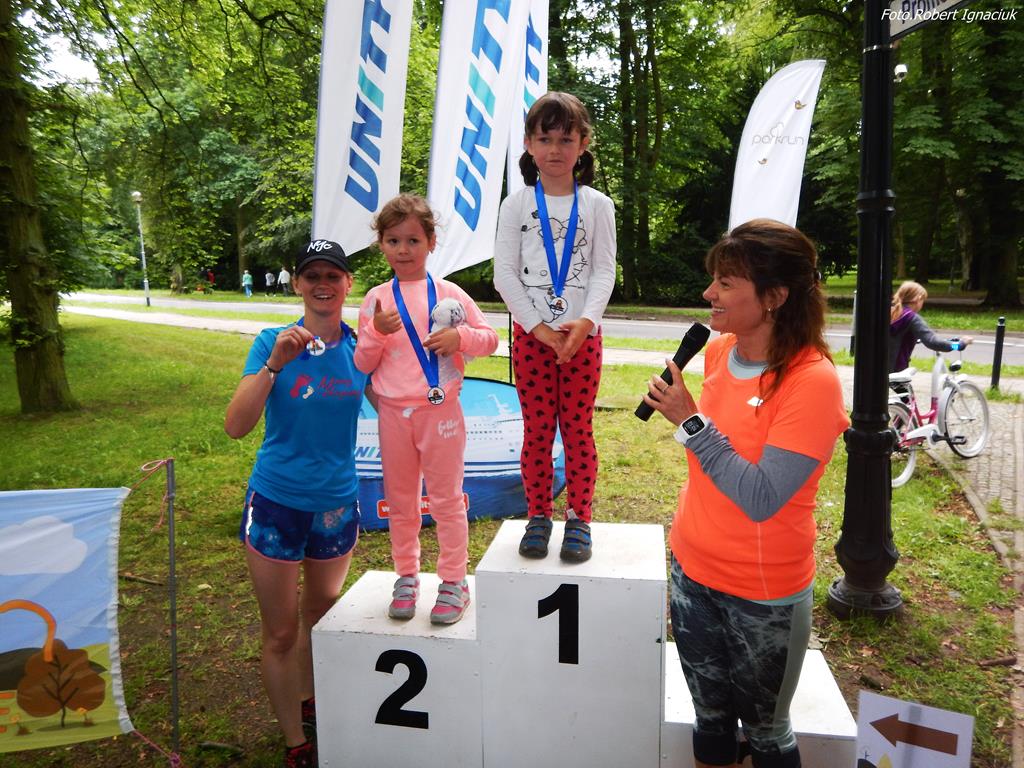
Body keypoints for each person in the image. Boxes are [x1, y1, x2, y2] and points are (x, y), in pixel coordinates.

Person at [642, 220, 849, 768]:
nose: (709, 292)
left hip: (763, 594)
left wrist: (690, 423)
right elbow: (714, 467)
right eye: (714, 279)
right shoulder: (717, 353)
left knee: (766, 733)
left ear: (774, 296)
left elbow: (760, 497)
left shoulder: (812, 380)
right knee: (708, 719)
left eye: (726, 283)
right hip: (692, 570)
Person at [225, 240, 368, 768]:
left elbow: (400, 404)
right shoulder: (272, 342)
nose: (322, 284)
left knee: (321, 614)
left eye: (333, 275)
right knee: (282, 631)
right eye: (312, 276)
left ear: (348, 284)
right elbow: (236, 426)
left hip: (336, 505)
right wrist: (274, 367)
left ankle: (308, 697)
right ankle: (295, 742)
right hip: (277, 504)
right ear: (297, 284)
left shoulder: (363, 348)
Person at [355, 194, 498, 625]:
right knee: (400, 501)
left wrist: (461, 339)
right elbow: (362, 363)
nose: (403, 250)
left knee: (446, 499)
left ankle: (454, 581)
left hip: (441, 413)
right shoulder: (377, 299)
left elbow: (490, 340)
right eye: (393, 241)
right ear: (381, 244)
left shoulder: (450, 293)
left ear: (432, 242)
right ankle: (406, 575)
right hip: (392, 415)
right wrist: (376, 332)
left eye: (413, 240)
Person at [493, 91, 616, 563]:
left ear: (583, 143)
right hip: (532, 340)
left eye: (566, 139)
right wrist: (539, 328)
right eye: (544, 139)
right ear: (528, 144)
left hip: (583, 338)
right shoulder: (517, 204)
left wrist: (585, 323)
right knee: (538, 431)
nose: (555, 149)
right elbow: (504, 274)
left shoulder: (598, 205)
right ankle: (539, 516)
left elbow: (604, 270)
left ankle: (579, 519)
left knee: (578, 430)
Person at [889, 280, 972, 371]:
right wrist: (960, 345)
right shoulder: (911, 318)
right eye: (923, 300)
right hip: (896, 370)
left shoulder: (890, 312)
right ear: (918, 299)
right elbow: (933, 342)